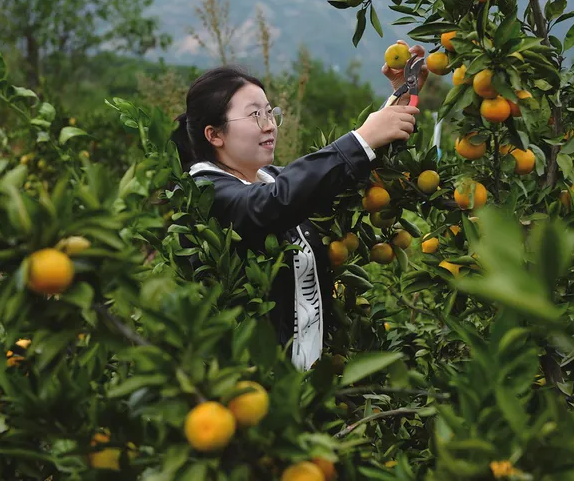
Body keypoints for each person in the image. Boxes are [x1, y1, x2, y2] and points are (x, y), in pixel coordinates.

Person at [171, 41, 428, 371]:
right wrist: (361, 138)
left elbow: (335, 181)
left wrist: (400, 100)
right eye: (254, 115)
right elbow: (271, 204)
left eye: (269, 112)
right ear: (214, 134)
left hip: (309, 391)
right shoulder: (203, 193)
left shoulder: (271, 181)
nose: (268, 125)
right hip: (248, 391)